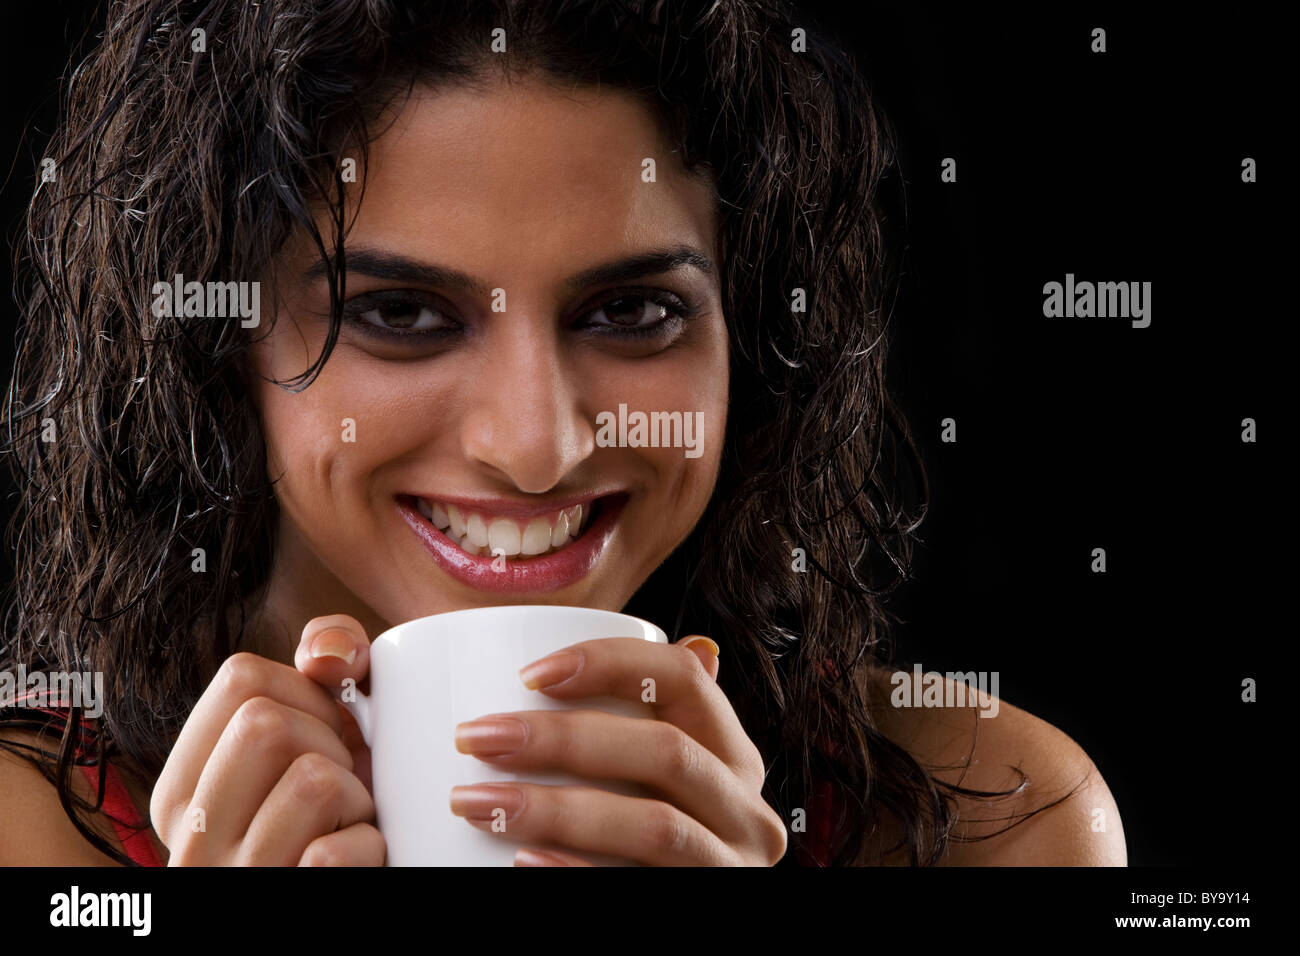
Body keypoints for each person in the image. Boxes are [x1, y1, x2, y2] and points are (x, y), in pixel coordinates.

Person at [0, 0, 1124, 866]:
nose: (534, 444)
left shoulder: (992, 816)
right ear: (215, 339)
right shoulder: (35, 829)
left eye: (629, 312)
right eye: (400, 314)